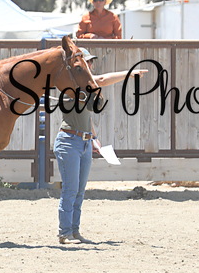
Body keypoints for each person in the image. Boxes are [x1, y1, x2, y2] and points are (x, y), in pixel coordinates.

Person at [52, 50, 145, 244]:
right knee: (71, 190)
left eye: (91, 62)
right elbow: (102, 79)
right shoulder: (73, 86)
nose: (91, 66)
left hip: (83, 142)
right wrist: (128, 74)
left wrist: (93, 137)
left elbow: (87, 117)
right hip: (69, 141)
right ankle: (65, 232)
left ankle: (74, 231)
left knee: (79, 190)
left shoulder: (86, 89)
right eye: (88, 62)